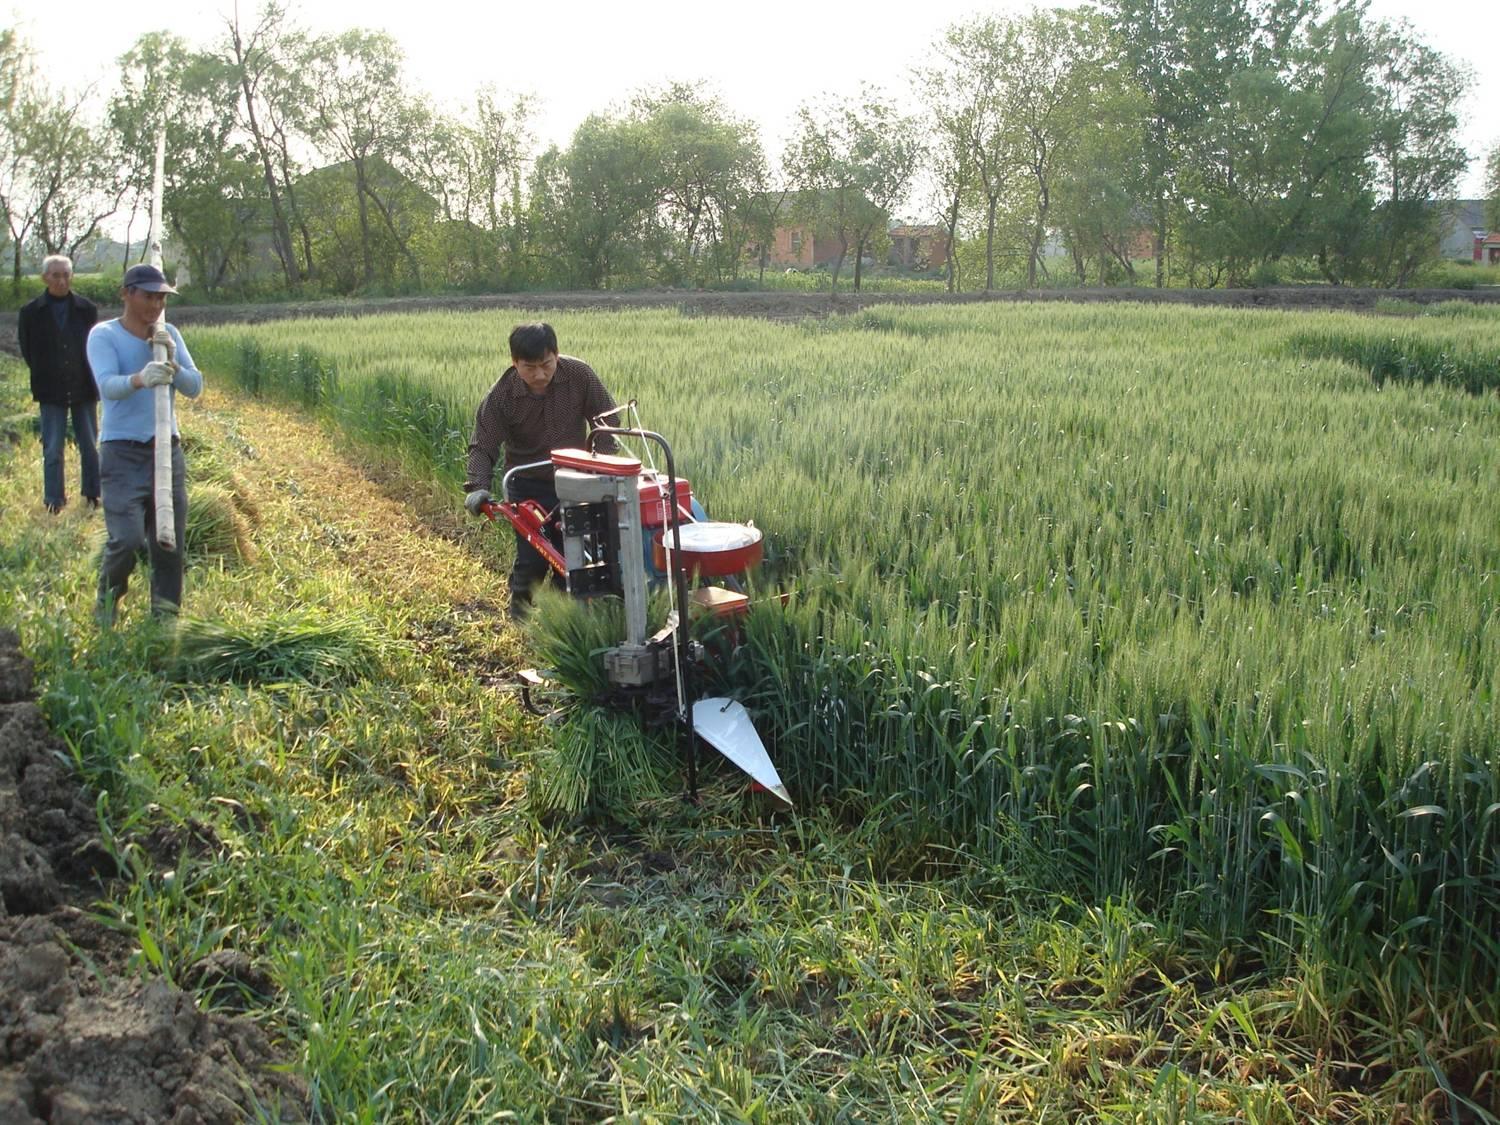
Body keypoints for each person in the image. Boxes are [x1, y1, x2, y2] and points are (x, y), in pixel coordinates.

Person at [464, 322, 618, 618]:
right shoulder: (501, 396)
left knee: (572, 556)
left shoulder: (580, 375)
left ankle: (564, 622)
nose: (539, 375)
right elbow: (483, 446)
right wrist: (477, 486)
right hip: (527, 484)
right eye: (529, 367)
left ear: (557, 355)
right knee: (533, 558)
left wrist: (601, 465)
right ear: (515, 363)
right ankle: (520, 614)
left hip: (574, 480)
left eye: (546, 364)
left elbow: (608, 423)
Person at [86, 264, 203, 624]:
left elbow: (195, 386)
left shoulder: (168, 335)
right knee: (126, 538)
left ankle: (165, 619)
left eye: (161, 297)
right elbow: (107, 386)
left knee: (168, 542)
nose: (155, 304)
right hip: (122, 451)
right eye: (148, 296)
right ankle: (106, 607)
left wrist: (173, 365)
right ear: (126, 294)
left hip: (167, 451)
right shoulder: (103, 336)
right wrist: (140, 378)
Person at [17, 255, 100, 514]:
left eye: (66, 275)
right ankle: (54, 500)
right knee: (53, 447)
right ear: (45, 278)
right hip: (50, 389)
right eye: (56, 275)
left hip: (84, 386)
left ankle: (92, 494)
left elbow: (94, 347)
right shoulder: (31, 312)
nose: (62, 280)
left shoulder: (86, 309)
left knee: (89, 445)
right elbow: (28, 350)